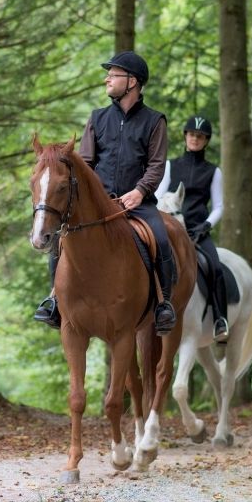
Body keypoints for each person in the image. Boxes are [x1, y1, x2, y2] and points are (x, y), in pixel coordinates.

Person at [34, 51, 177, 335]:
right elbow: (85, 164)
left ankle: (163, 304)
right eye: (108, 75)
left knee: (161, 238)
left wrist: (140, 191)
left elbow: (157, 164)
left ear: (132, 81)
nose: (106, 79)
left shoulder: (154, 121)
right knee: (61, 240)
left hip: (137, 202)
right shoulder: (97, 118)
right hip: (100, 205)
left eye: (113, 75)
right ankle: (54, 300)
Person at [155, 115, 229, 342]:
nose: (195, 139)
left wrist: (206, 225)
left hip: (198, 231)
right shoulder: (170, 165)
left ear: (206, 141)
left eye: (200, 136)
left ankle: (219, 319)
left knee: (215, 267)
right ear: (185, 136)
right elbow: (158, 195)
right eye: (191, 135)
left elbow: (218, 206)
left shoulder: (213, 171)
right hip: (169, 228)